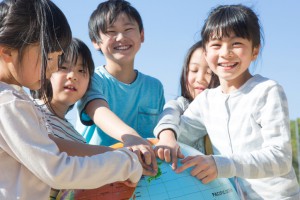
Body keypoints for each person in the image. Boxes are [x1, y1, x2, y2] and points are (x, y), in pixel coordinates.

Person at [154, 4, 300, 200]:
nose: (226, 52)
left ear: (255, 50)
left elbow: (280, 158)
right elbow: (181, 130)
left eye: (236, 43)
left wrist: (221, 165)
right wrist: (166, 135)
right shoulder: (207, 100)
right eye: (216, 44)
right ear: (206, 53)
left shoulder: (267, 90)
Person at [0, 1, 142, 199]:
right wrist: (127, 164)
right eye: (49, 58)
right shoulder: (9, 103)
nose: (52, 69)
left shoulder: (12, 99)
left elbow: (51, 145)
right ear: (7, 51)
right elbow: (58, 171)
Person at [76, 0, 165, 174]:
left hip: (140, 179)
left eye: (128, 29)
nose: (120, 37)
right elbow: (98, 110)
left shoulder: (154, 87)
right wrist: (132, 138)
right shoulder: (91, 78)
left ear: (142, 35)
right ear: (95, 41)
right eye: (110, 31)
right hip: (96, 172)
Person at [154, 40, 219, 169]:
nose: (200, 78)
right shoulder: (181, 106)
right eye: (194, 70)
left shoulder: (226, 111)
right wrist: (167, 137)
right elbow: (168, 115)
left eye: (209, 72)